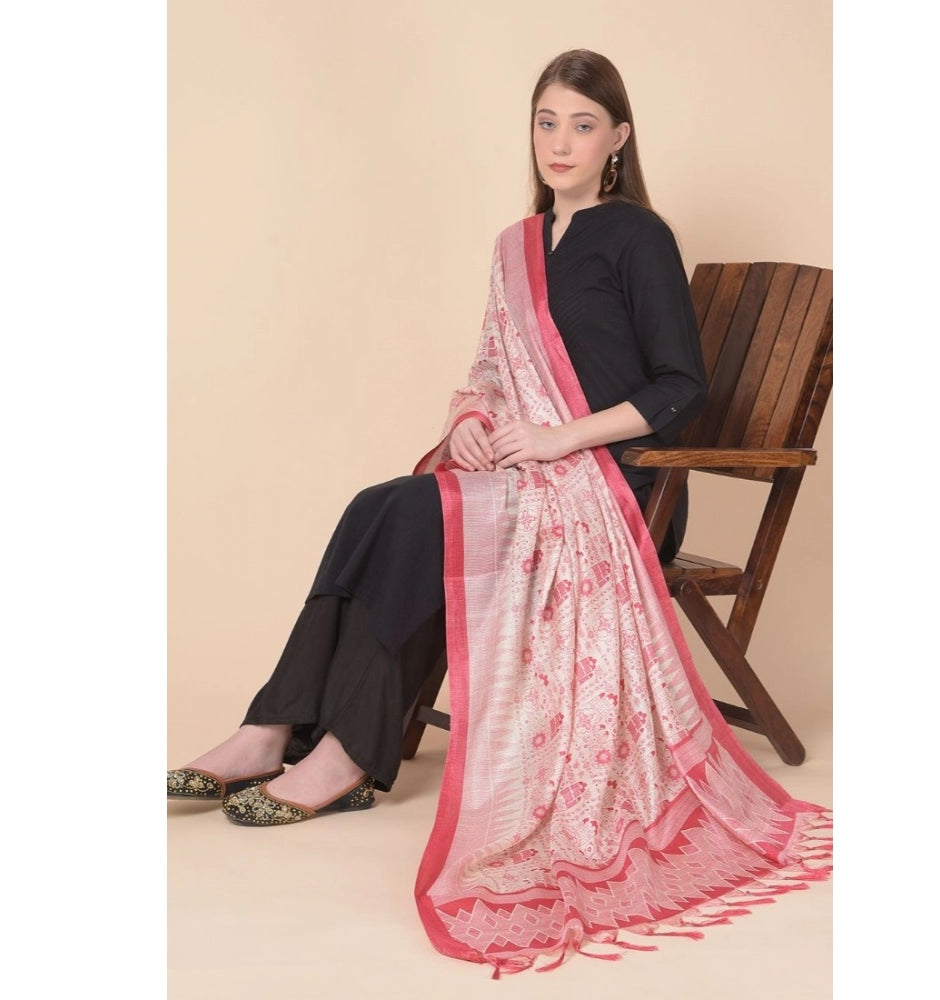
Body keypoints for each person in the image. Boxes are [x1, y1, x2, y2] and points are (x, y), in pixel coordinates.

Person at [169, 50, 831, 975]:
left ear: (618, 139)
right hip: (523, 477)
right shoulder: (516, 244)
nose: (561, 143)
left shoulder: (637, 237)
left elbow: (682, 386)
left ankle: (344, 753)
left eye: (583, 125)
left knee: (412, 519)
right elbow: (489, 370)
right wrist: (473, 422)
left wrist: (562, 440)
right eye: (546, 122)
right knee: (379, 508)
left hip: (619, 491)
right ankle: (274, 729)